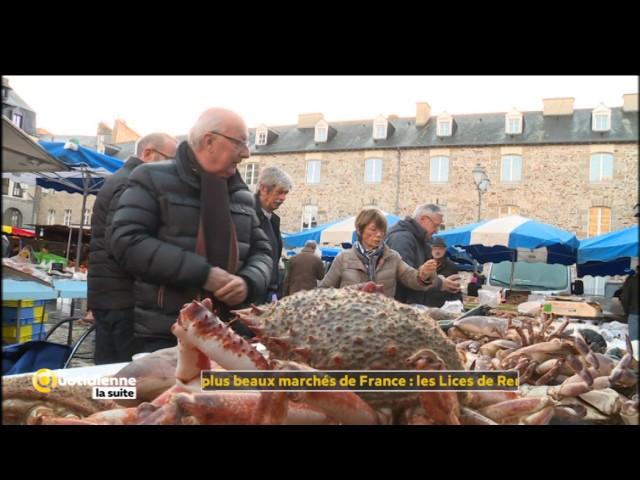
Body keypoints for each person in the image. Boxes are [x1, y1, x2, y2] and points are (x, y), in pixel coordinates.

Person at [109, 108, 273, 351]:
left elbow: (264, 252)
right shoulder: (151, 178)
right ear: (209, 141)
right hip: (165, 335)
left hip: (228, 335)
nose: (246, 154)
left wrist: (248, 282)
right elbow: (126, 241)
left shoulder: (243, 197)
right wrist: (204, 274)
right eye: (240, 143)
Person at [88, 132, 178, 364]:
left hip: (108, 294)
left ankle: (107, 400)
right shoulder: (133, 183)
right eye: (170, 160)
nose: (173, 169)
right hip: (125, 297)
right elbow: (124, 244)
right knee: (129, 377)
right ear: (148, 153)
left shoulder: (120, 179)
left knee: (109, 374)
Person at [319, 208, 441, 297]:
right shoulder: (343, 258)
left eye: (382, 230)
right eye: (373, 229)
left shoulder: (393, 257)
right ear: (359, 229)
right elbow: (323, 291)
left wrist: (423, 274)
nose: (379, 234)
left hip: (382, 323)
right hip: (351, 323)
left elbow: (411, 279)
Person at [385, 203, 461, 306]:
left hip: (408, 306)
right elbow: (406, 277)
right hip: (399, 308)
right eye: (435, 225)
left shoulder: (420, 240)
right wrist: (440, 283)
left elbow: (422, 272)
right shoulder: (402, 238)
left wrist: (439, 280)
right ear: (423, 219)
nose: (436, 231)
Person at [254, 166, 292, 302]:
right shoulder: (247, 216)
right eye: (280, 192)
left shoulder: (273, 220)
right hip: (250, 298)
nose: (283, 198)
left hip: (268, 297)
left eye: (286, 193)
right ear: (263, 188)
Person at [423, 237, 462, 307]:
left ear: (445, 250)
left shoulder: (452, 266)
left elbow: (455, 288)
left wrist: (458, 304)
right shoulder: (425, 264)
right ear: (431, 250)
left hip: (443, 305)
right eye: (435, 249)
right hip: (426, 304)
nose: (437, 251)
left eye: (440, 249)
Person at [620, 266, 638, 355]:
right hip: (633, 313)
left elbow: (624, 298)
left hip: (634, 314)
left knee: (634, 343)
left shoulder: (631, 281)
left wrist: (627, 311)